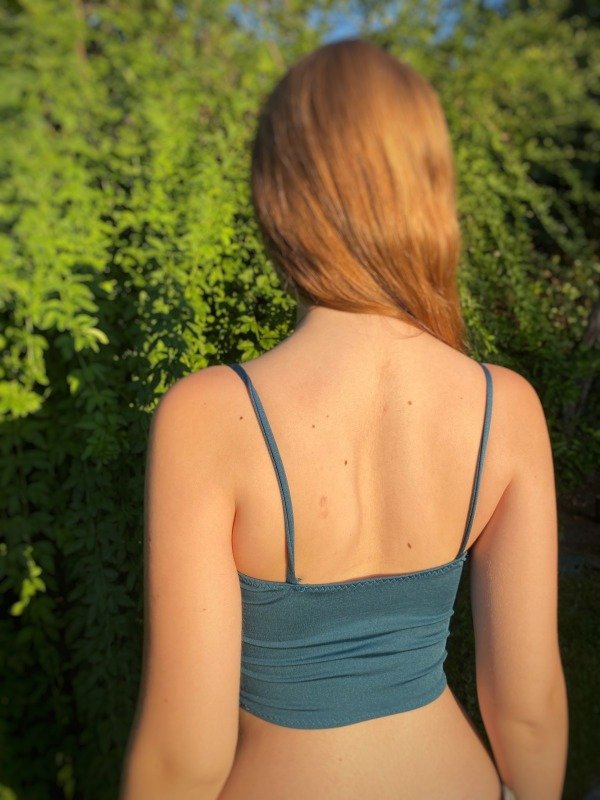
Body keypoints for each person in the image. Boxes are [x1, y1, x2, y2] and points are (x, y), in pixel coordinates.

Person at [120, 38, 568, 800]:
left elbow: (183, 759)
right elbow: (528, 711)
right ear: (430, 190)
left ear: (279, 197)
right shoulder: (506, 408)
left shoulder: (210, 418)